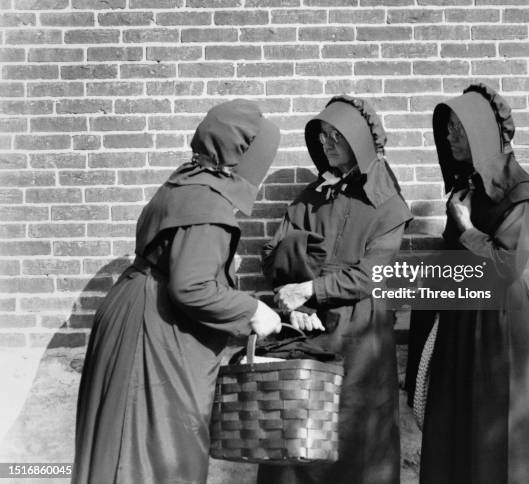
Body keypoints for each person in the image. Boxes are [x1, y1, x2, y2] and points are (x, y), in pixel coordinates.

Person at [72, 100, 282, 484]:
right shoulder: (207, 202)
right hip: (152, 333)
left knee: (125, 444)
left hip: (134, 310)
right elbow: (193, 286)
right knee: (151, 453)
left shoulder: (185, 181)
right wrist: (254, 310)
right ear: (245, 156)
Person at [406, 84, 529, 484]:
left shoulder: (521, 194)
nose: (451, 137)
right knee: (456, 429)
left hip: (499, 328)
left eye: (460, 128)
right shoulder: (465, 189)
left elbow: (506, 265)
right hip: (460, 321)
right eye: (449, 130)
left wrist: (467, 226)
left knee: (499, 429)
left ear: (483, 132)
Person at [256, 95, 413, 484]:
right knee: (296, 439)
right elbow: (273, 251)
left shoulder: (389, 207)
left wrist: (310, 287)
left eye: (335, 136)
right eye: (322, 136)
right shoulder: (313, 195)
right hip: (305, 330)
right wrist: (291, 296)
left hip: (359, 337)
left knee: (354, 442)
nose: (325, 143)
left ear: (359, 141)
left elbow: (370, 276)